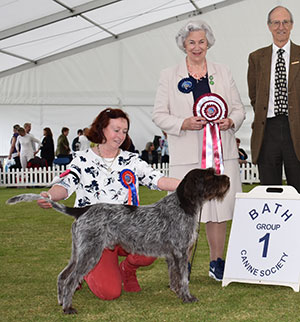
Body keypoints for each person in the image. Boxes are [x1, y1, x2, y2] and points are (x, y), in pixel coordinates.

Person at [37, 108, 180, 301]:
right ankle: (84, 266)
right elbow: (65, 184)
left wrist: (188, 183)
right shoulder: (82, 160)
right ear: (102, 129)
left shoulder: (131, 160)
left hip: (128, 228)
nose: (121, 135)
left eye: (125, 131)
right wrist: (50, 195)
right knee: (110, 292)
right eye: (116, 130)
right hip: (97, 232)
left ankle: (127, 269)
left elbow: (159, 180)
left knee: (155, 244)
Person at [152, 20, 245, 281]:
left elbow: (238, 109)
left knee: (219, 211)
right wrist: (182, 123)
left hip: (221, 155)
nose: (197, 47)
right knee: (183, 213)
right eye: (191, 42)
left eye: (201, 41)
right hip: (186, 158)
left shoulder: (223, 71)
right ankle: (182, 264)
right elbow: (158, 114)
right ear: (184, 44)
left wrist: (231, 121)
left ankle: (218, 262)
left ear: (209, 43)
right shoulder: (168, 75)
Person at [247, 6, 300, 193]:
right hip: (267, 131)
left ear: (292, 25)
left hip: (297, 131)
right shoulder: (256, 58)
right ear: (269, 26)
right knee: (269, 189)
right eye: (276, 22)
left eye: (285, 22)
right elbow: (254, 96)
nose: (281, 26)